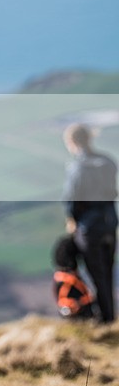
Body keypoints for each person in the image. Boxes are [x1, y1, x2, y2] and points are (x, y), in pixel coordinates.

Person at [62, 123, 118, 323]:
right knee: (108, 273)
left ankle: (104, 320)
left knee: (95, 275)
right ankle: (109, 316)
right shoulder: (108, 162)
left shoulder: (78, 168)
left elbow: (72, 199)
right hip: (110, 225)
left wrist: (73, 220)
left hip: (89, 229)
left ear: (72, 142)